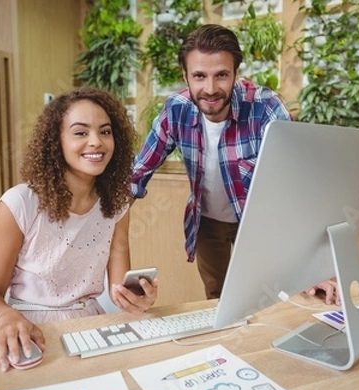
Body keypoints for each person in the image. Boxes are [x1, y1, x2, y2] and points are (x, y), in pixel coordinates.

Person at [131, 24, 338, 303]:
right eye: (199, 76)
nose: (210, 88)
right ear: (186, 76)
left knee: (268, 299)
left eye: (221, 75)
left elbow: (296, 186)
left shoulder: (266, 107)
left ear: (235, 74)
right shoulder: (176, 109)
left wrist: (311, 267)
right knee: (218, 299)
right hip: (206, 222)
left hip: (258, 221)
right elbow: (137, 173)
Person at [0, 87, 158, 372]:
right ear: (55, 141)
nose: (96, 142)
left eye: (105, 132)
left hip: (90, 325)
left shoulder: (117, 204)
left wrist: (138, 299)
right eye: (80, 133)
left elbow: (119, 290)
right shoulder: (19, 203)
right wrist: (6, 319)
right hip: (27, 329)